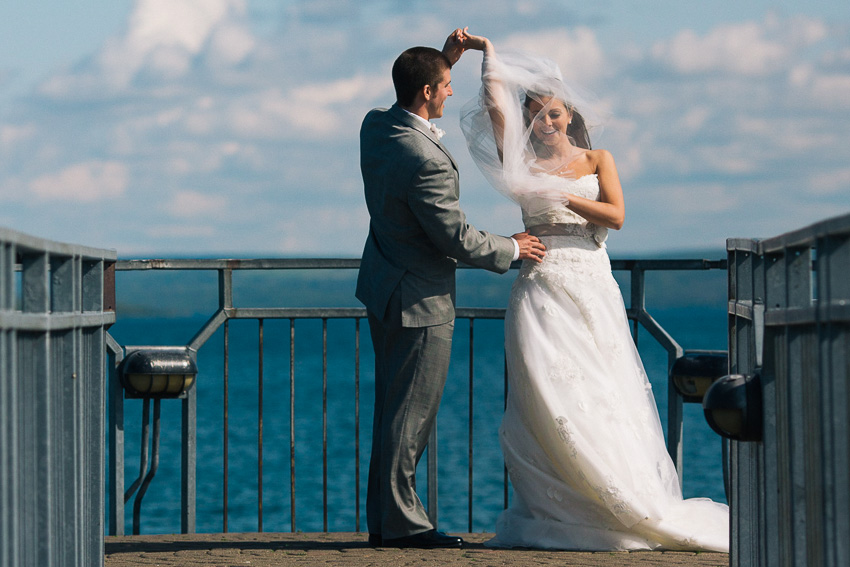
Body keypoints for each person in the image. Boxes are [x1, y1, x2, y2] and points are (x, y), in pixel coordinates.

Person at [457, 30, 730, 552]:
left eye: (555, 112)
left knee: (603, 390)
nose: (547, 121)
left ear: (569, 114)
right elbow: (496, 110)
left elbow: (617, 216)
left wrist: (563, 195)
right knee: (546, 393)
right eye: (537, 113)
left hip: (590, 281)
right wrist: (488, 54)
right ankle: (561, 506)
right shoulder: (520, 163)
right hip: (540, 284)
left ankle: (618, 500)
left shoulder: (597, 158)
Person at [355, 29, 547, 550]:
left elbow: (413, 92)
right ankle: (405, 528)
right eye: (445, 86)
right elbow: (455, 237)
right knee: (410, 415)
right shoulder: (425, 159)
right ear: (426, 94)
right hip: (420, 302)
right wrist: (511, 247)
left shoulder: (376, 128)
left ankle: (384, 522)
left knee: (392, 408)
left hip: (384, 287)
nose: (450, 93)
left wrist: (445, 60)